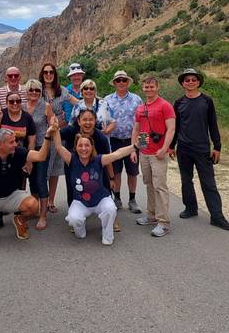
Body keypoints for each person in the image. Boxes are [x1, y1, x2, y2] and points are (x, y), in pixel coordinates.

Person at [54, 126, 141, 245]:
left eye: (87, 145)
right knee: (74, 219)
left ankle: (107, 235)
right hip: (81, 202)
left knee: (110, 209)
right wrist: (54, 128)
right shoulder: (72, 159)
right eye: (80, 145)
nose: (83, 148)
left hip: (100, 200)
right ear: (75, 147)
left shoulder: (99, 159)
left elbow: (117, 154)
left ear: (92, 147)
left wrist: (135, 146)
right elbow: (58, 147)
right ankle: (80, 230)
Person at [169, 68, 229, 230]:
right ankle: (191, 208)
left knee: (208, 183)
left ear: (198, 82)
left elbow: (213, 125)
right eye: (187, 80)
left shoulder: (207, 101)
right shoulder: (179, 103)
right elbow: (176, 127)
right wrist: (171, 146)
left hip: (202, 148)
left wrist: (217, 147)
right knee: (186, 180)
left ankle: (217, 216)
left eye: (193, 79)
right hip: (183, 148)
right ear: (183, 83)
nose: (190, 82)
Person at [131, 76, 175, 237]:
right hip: (145, 151)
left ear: (157, 88)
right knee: (149, 184)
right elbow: (138, 130)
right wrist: (134, 150)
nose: (148, 89)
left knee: (160, 186)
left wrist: (165, 148)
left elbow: (171, 129)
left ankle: (163, 222)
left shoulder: (165, 105)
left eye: (151, 87)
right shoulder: (141, 108)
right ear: (142, 88)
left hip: (158, 153)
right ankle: (151, 215)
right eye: (146, 87)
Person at [0, 91, 37, 231]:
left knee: (19, 186)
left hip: (19, 158)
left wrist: (29, 161)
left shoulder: (27, 117)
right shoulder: (1, 115)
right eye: (11, 101)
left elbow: (32, 138)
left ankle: (18, 217)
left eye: (17, 101)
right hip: (0, 158)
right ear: (7, 102)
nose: (15, 104)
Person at [39, 62, 79, 213]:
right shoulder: (38, 89)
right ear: (42, 75)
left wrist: (95, 100)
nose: (48, 75)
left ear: (55, 75)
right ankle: (40, 200)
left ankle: (50, 200)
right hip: (42, 134)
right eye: (46, 72)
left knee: (55, 169)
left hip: (58, 134)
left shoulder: (61, 91)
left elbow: (77, 103)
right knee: (42, 168)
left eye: (51, 72)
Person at [105, 70, 143, 213]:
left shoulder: (137, 99)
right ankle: (117, 198)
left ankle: (132, 200)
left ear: (128, 82)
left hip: (132, 142)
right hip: (113, 141)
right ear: (114, 83)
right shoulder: (107, 100)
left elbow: (143, 122)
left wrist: (143, 145)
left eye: (123, 80)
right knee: (116, 172)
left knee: (133, 172)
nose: (121, 83)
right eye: (118, 80)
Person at [25, 79, 54, 230]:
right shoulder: (22, 106)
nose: (34, 93)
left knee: (41, 179)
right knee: (31, 179)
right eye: (31, 90)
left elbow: (52, 124)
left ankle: (43, 215)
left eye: (37, 90)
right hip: (26, 148)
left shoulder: (46, 106)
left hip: (42, 146)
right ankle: (35, 209)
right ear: (27, 92)